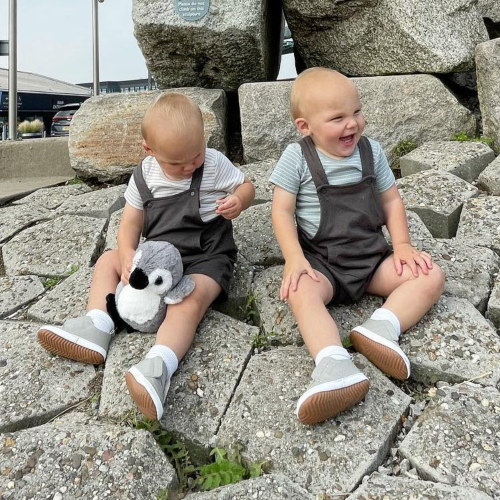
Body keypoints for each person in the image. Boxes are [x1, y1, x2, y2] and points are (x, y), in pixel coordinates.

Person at [38, 92, 255, 421]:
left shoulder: (213, 163)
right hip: (158, 256)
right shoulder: (144, 175)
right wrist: (127, 255)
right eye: (176, 163)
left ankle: (158, 366)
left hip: (206, 256)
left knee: (189, 300)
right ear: (149, 151)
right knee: (107, 260)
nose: (188, 167)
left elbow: (246, 185)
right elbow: (130, 223)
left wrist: (239, 200)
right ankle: (97, 324)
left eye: (194, 156)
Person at [270, 68, 444, 425]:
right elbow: (281, 211)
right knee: (300, 290)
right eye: (337, 118)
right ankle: (334, 363)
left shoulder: (372, 152)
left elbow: (392, 202)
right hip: (325, 265)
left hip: (372, 259)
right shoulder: (297, 158)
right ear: (305, 127)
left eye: (357, 112)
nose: (352, 124)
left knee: (430, 275)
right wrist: (294, 258)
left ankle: (381, 328)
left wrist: (404, 246)